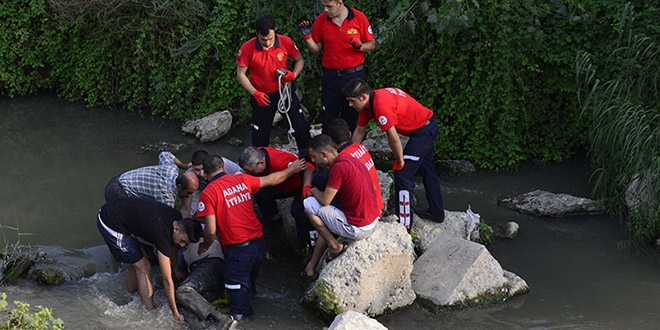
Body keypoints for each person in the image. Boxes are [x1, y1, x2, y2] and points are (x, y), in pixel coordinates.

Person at [196, 154, 306, 320]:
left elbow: (211, 230)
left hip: (238, 251)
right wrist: (291, 169)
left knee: (237, 306)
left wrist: (205, 245)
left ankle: (243, 318)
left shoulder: (208, 193)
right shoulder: (241, 179)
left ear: (204, 173)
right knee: (248, 285)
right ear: (223, 167)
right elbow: (273, 179)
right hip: (258, 245)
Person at [343, 78, 445, 229]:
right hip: (425, 127)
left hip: (423, 131)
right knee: (427, 169)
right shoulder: (367, 105)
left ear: (363, 97)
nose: (349, 105)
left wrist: (400, 160)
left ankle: (404, 227)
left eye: (352, 101)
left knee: (402, 174)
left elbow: (393, 138)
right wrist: (349, 156)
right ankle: (436, 212)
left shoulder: (380, 105)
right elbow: (359, 131)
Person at [96, 197, 202, 322]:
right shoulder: (163, 234)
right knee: (143, 267)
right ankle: (150, 312)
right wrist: (176, 313)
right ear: (177, 229)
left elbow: (172, 248)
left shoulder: (176, 218)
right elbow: (166, 280)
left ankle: (130, 294)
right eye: (183, 241)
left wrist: (177, 270)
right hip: (109, 222)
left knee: (137, 260)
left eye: (186, 243)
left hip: (120, 211)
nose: (183, 245)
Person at [302, 134, 380, 278]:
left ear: (324, 154)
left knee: (309, 204)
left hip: (360, 228)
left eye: (314, 157)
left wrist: (313, 190)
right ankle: (311, 266)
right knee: (325, 217)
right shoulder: (350, 159)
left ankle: (335, 246)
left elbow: (325, 201)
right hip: (373, 219)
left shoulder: (338, 169)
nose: (313, 161)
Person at [237, 15, 311, 157]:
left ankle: (307, 159)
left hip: (285, 92)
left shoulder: (285, 42)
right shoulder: (247, 48)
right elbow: (241, 74)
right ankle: (261, 167)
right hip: (262, 96)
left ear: (275, 31)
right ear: (257, 33)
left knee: (301, 127)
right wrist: (255, 93)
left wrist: (294, 74)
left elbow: (299, 60)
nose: (268, 43)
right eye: (263, 40)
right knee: (260, 135)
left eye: (270, 39)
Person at [298, 0, 375, 133]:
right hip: (331, 76)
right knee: (328, 115)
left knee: (353, 114)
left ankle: (352, 149)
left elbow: (371, 44)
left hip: (354, 75)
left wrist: (361, 47)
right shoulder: (321, 21)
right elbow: (316, 50)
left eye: (329, 6)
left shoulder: (358, 17)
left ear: (340, 3)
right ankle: (327, 149)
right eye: (324, 6)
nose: (325, 10)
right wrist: (307, 37)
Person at [238, 146, 317, 254]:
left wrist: (306, 187)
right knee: (259, 192)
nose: (250, 174)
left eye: (251, 171)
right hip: (277, 185)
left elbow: (308, 166)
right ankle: (272, 218)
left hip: (295, 186)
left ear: (261, 163)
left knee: (298, 212)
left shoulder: (281, 162)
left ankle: (306, 246)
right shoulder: (258, 154)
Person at [104, 151, 199, 218]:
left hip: (121, 178)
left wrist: (184, 166)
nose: (189, 196)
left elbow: (165, 154)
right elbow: (165, 220)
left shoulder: (172, 169)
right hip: (118, 191)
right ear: (179, 187)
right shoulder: (166, 197)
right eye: (189, 192)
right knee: (129, 221)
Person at [174, 236, 234, 330]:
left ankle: (222, 318)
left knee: (183, 291)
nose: (182, 243)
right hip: (212, 276)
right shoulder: (183, 237)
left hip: (210, 263)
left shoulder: (198, 229)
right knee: (184, 305)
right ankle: (211, 325)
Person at [326, 118, 384, 213]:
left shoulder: (343, 160)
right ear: (350, 134)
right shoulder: (360, 147)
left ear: (332, 141)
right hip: (377, 204)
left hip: (365, 211)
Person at [163, 150, 242, 216]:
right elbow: (185, 208)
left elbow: (242, 172)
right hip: (201, 190)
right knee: (191, 211)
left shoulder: (220, 163)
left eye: (203, 169)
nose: (201, 173)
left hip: (227, 186)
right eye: (197, 170)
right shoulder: (190, 175)